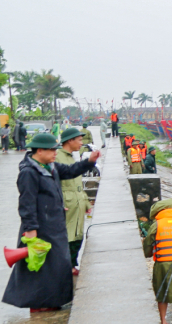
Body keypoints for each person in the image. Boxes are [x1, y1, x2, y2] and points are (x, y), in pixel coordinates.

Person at [2, 132, 101, 311]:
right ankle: (38, 304)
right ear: (39, 151)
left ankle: (53, 301)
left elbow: (71, 171)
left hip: (54, 224)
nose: (55, 153)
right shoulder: (29, 172)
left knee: (57, 265)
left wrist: (89, 161)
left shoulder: (51, 166)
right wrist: (31, 229)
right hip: (41, 227)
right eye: (51, 150)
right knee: (40, 269)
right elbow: (27, 203)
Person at [56, 128, 91, 275]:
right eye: (79, 140)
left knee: (78, 235)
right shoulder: (57, 158)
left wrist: (87, 202)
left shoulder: (71, 157)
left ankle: (72, 263)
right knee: (68, 236)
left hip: (78, 202)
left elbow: (77, 184)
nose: (81, 143)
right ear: (70, 141)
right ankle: (67, 266)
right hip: (67, 203)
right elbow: (54, 184)